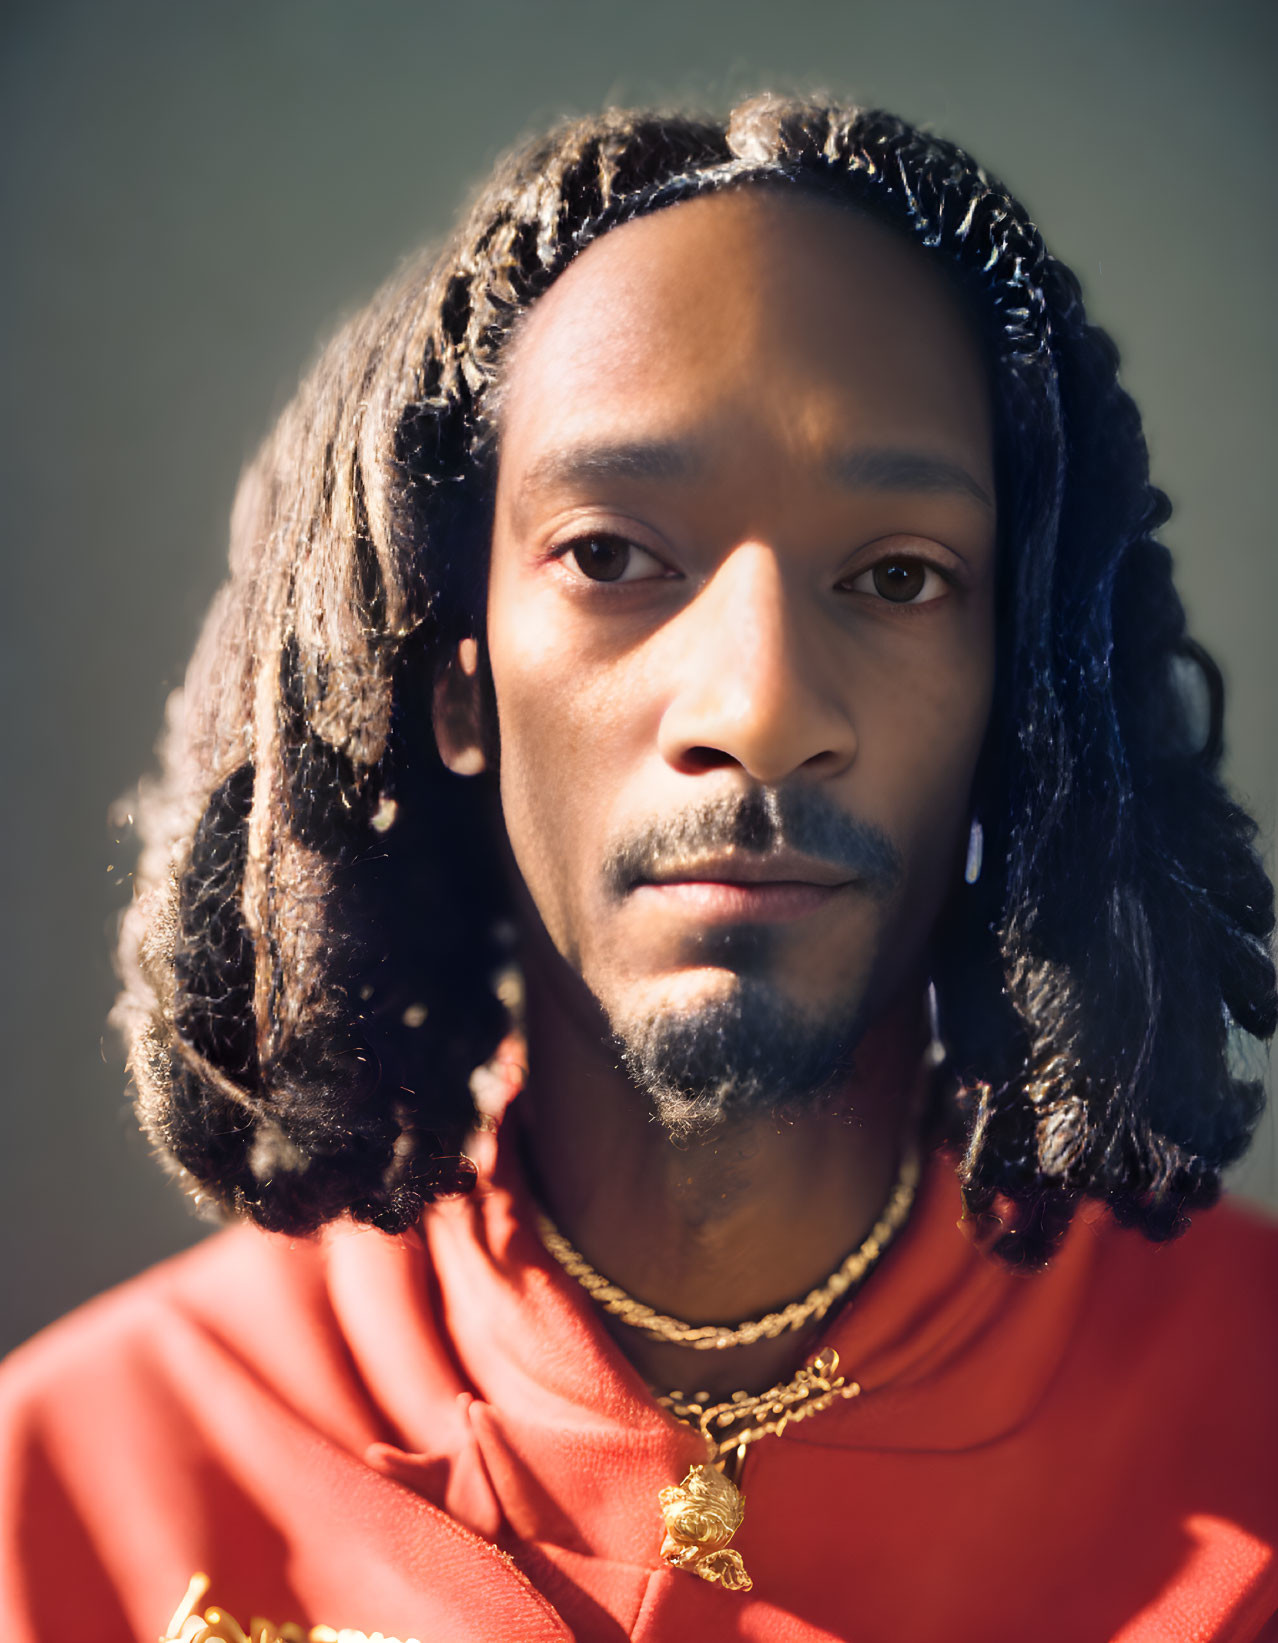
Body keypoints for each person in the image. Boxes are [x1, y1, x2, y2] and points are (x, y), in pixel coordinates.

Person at [2, 94, 1276, 1643]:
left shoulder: (1250, 1406)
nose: (759, 709)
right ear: (456, 679)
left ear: (1023, 700)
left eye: (895, 576)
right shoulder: (64, 1489)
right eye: (612, 556)